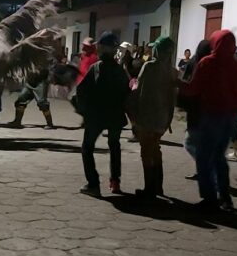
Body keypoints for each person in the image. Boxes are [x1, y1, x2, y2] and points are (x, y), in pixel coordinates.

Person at [181, 29, 237, 212]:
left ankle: (210, 198)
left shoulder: (207, 63)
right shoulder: (236, 66)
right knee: (219, 157)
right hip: (230, 116)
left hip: (211, 115)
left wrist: (177, 83)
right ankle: (225, 197)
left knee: (203, 157)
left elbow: (193, 89)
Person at [76, 32, 130, 197]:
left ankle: (93, 184)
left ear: (103, 48)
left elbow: (81, 90)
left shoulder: (97, 68)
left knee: (87, 147)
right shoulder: (120, 70)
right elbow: (126, 92)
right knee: (114, 146)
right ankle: (115, 181)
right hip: (115, 115)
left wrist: (83, 110)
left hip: (96, 116)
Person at [131, 37, 177, 200]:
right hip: (163, 119)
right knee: (155, 150)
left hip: (148, 117)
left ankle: (149, 188)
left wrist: (134, 115)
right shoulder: (172, 71)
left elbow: (138, 92)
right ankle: (158, 186)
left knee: (147, 152)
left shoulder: (149, 67)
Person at [179, 40, 211, 180]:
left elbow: (187, 82)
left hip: (196, 109)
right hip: (210, 110)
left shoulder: (196, 62)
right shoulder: (212, 63)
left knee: (190, 142)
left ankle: (205, 169)